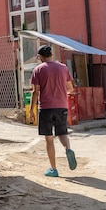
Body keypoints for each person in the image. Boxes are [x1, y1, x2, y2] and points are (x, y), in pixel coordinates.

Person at [29, 45, 77, 177]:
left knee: (49, 139)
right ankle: (68, 149)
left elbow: (35, 91)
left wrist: (32, 110)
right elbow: (70, 89)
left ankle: (53, 169)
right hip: (62, 106)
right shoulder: (63, 68)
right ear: (51, 54)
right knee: (62, 133)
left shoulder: (38, 69)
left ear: (41, 57)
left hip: (46, 108)